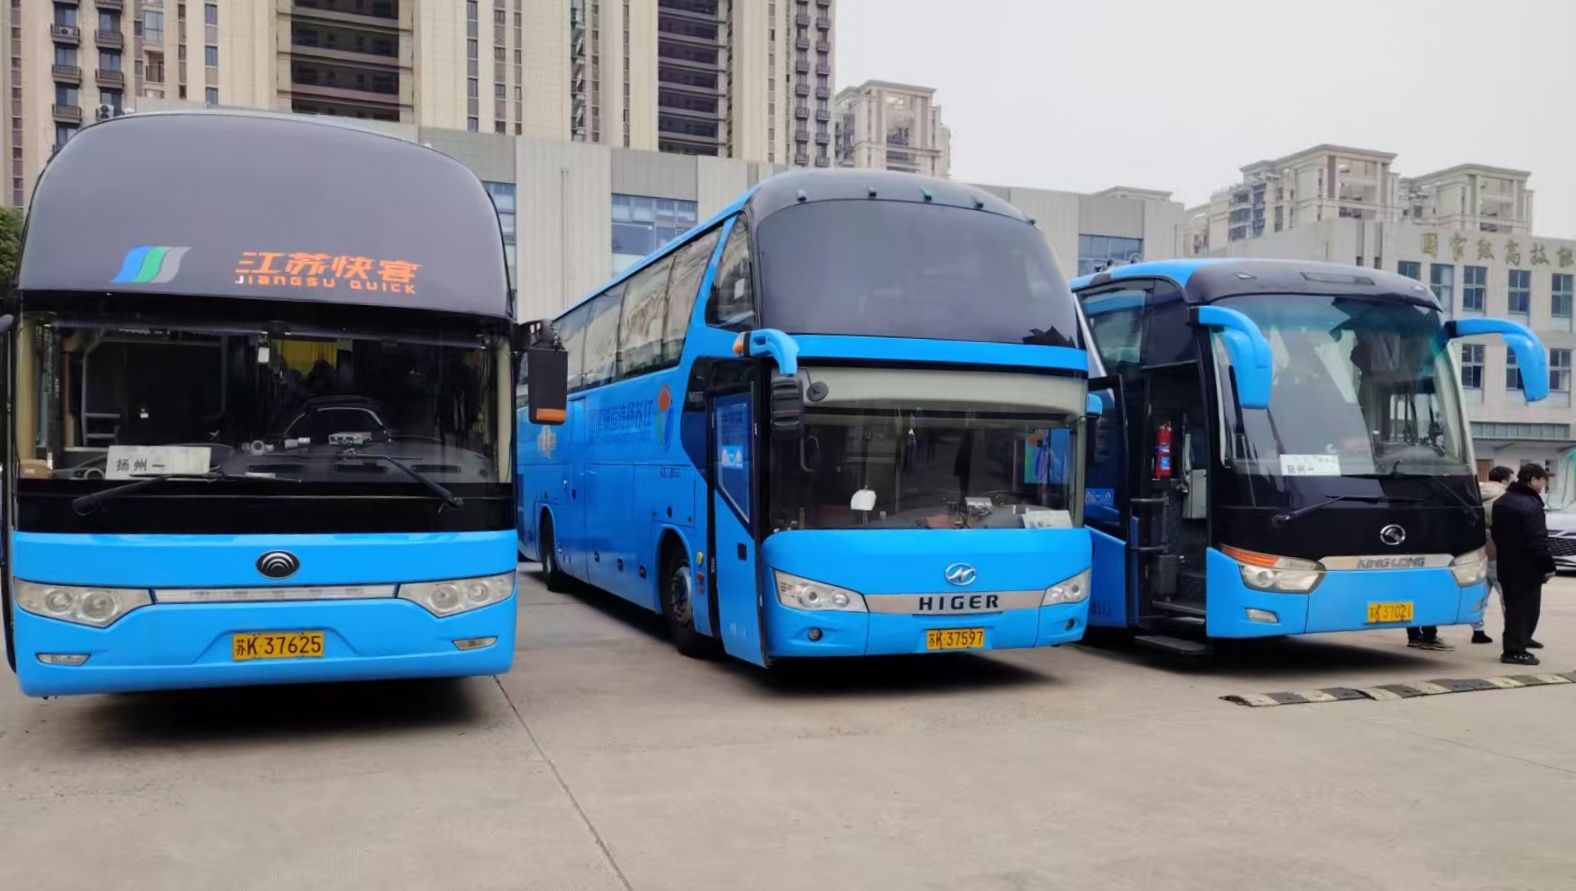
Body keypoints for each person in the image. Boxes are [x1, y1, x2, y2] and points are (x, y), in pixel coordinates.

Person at [1491, 463, 1557, 666]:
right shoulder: (1529, 505)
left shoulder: (1503, 501)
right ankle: (1514, 650)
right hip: (1527, 566)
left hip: (1507, 562)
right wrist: (1547, 565)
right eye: (1543, 481)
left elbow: (1496, 533)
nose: (1543, 485)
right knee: (1524, 609)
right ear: (1534, 480)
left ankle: (1522, 639)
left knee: (1516, 607)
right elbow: (1537, 539)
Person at [1470, 466, 1513, 644]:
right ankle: (1513, 632)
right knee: (1507, 594)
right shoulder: (1504, 497)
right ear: (1504, 481)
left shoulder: (1474, 494)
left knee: (1480, 594)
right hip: (1497, 551)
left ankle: (1478, 630)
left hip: (1476, 551)